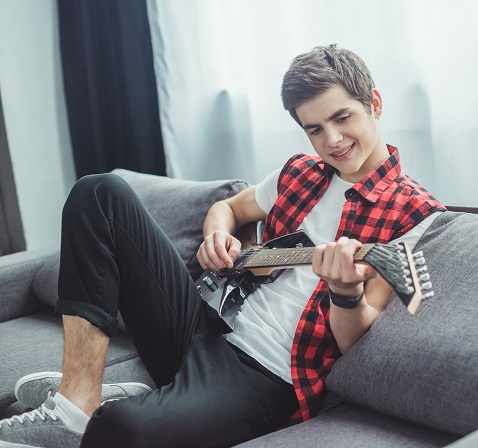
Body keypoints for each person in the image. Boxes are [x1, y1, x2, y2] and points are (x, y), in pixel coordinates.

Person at [0, 44, 445, 448]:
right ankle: (78, 403)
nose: (332, 140)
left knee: (124, 431)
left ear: (375, 103)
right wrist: (219, 233)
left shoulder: (415, 213)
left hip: (265, 376)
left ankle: (141, 404)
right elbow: (227, 207)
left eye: (342, 117)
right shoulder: (300, 173)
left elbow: (354, 340)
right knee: (99, 192)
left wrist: (344, 292)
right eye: (314, 129)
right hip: (203, 322)